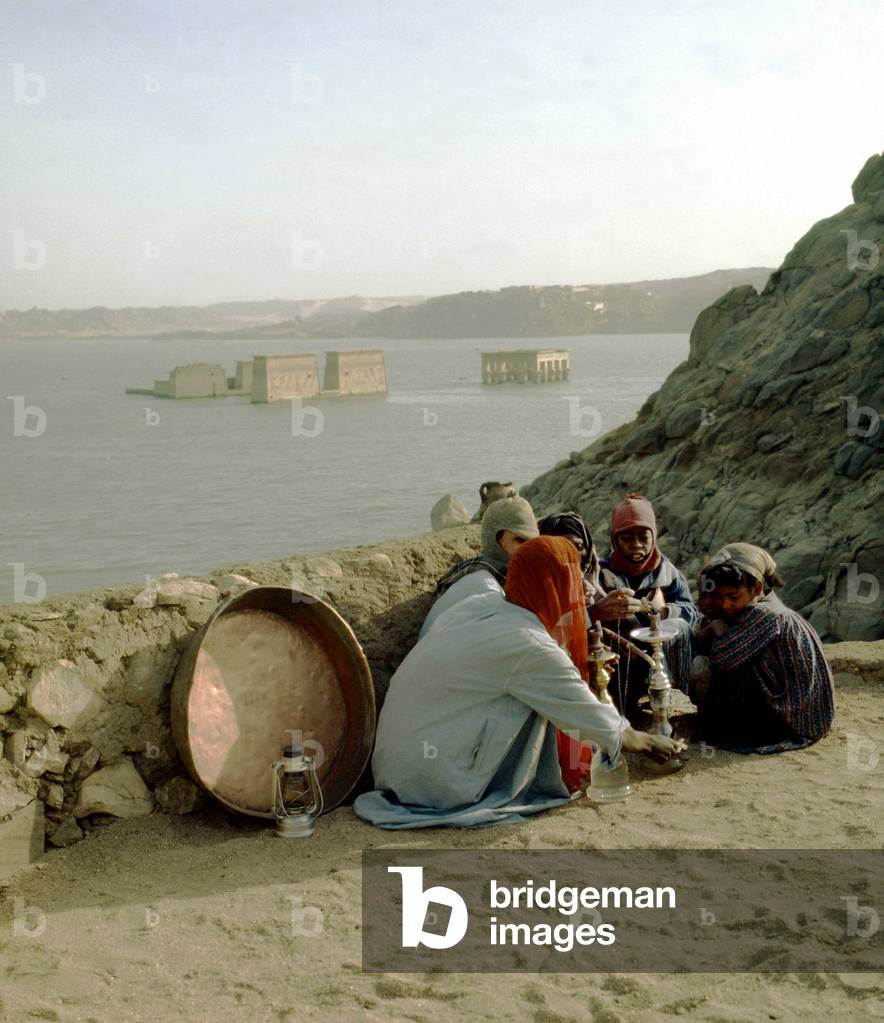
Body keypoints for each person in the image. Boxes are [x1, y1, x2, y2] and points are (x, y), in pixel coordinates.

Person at [354, 536, 685, 829]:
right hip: (435, 783)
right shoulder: (527, 645)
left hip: (393, 768)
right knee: (541, 703)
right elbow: (585, 712)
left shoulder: (481, 602)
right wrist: (646, 741)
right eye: (570, 581)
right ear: (556, 586)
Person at [692, 543, 835, 754]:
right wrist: (713, 624)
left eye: (733, 596)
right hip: (806, 716)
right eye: (719, 597)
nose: (725, 605)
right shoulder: (760, 607)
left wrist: (714, 629)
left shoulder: (765, 614)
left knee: (718, 667)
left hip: (795, 720)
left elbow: (722, 658)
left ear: (757, 588)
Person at [595, 493, 697, 721]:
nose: (636, 545)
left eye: (643, 537)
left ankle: (665, 688)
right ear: (615, 540)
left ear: (653, 536)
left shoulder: (666, 571)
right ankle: (621, 705)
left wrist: (663, 613)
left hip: (659, 649)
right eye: (627, 538)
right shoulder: (602, 572)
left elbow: (690, 610)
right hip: (621, 660)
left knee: (679, 626)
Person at [418, 495, 538, 639]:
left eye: (533, 542)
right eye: (520, 540)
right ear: (496, 540)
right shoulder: (486, 590)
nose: (528, 549)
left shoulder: (483, 575)